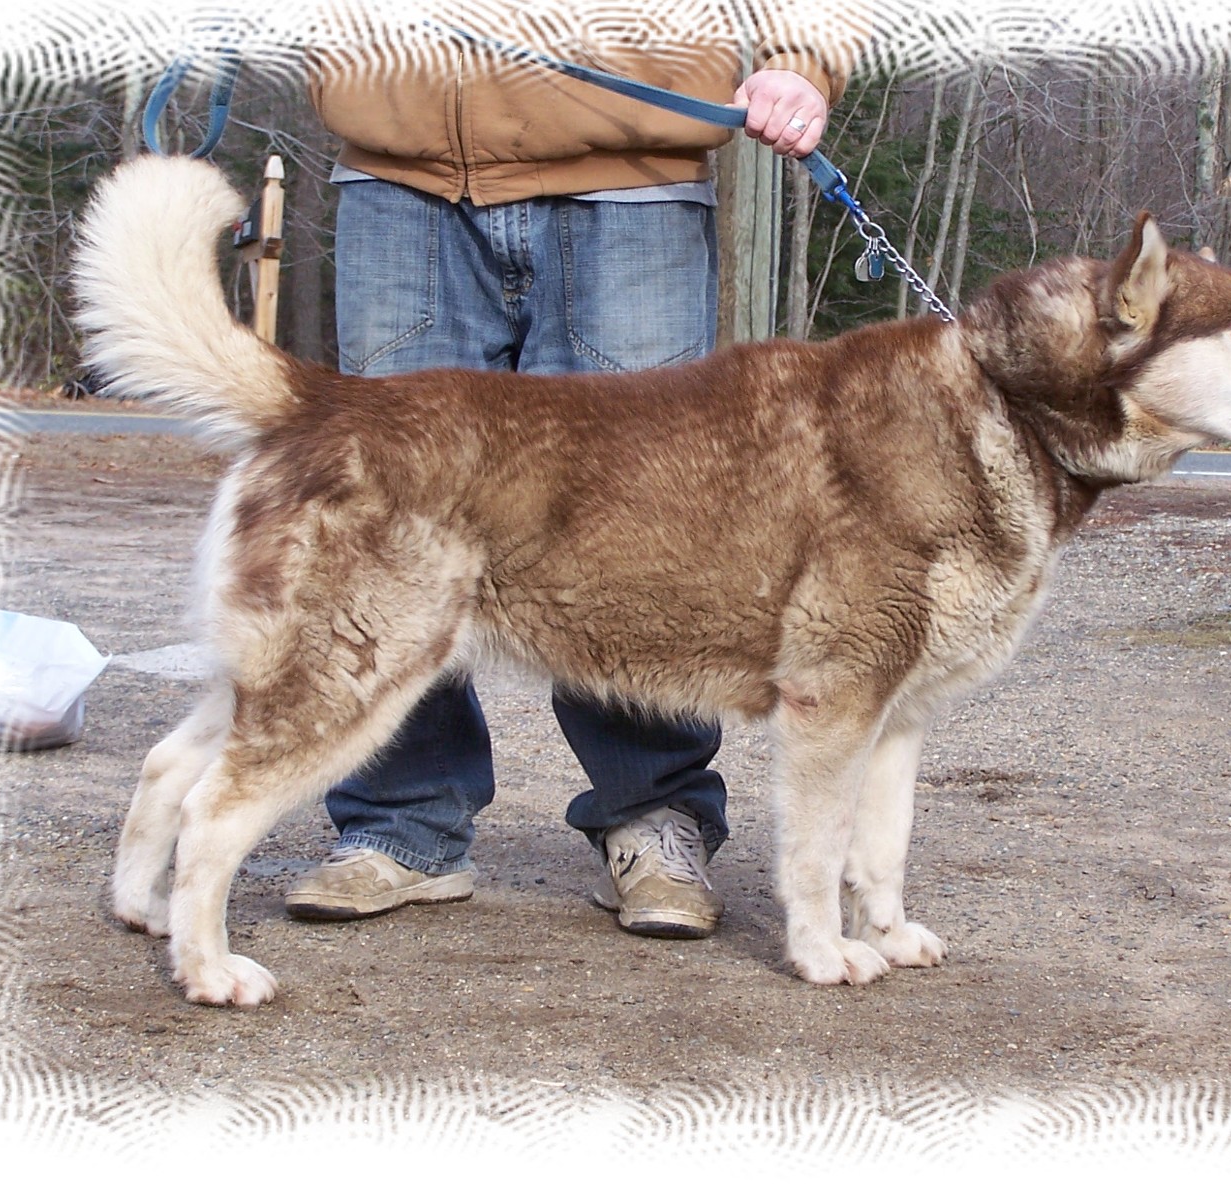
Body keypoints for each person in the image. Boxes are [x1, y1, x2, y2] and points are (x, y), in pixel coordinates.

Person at [284, 20, 856, 939]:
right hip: (397, 175)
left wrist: (799, 60)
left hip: (632, 176)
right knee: (395, 524)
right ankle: (400, 823)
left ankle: (653, 814)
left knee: (644, 524)